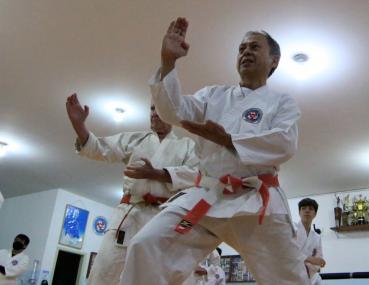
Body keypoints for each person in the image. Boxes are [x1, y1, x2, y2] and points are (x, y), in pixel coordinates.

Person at [119, 17, 310, 285]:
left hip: (256, 203)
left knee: (290, 278)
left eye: (254, 47)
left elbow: (284, 144)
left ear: (274, 61)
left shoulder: (281, 103)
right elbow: (174, 111)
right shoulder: (213, 96)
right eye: (242, 48)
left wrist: (228, 139)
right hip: (207, 199)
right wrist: (168, 63)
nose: (245, 52)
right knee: (146, 246)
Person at [66, 94, 199, 285]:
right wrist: (79, 125)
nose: (154, 113)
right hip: (130, 213)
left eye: (159, 108)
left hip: (165, 217)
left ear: (172, 113)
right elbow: (99, 148)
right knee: (104, 269)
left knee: (168, 276)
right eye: (152, 108)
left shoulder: (188, 146)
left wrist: (158, 174)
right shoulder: (137, 140)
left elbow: (196, 176)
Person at [296, 198, 326, 285]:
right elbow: (289, 253)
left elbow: (319, 260)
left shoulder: (317, 237)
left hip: (311, 277)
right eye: (303, 208)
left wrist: (309, 263)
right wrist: (310, 259)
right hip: (292, 275)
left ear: (315, 214)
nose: (307, 211)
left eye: (311, 208)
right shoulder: (292, 230)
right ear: (299, 212)